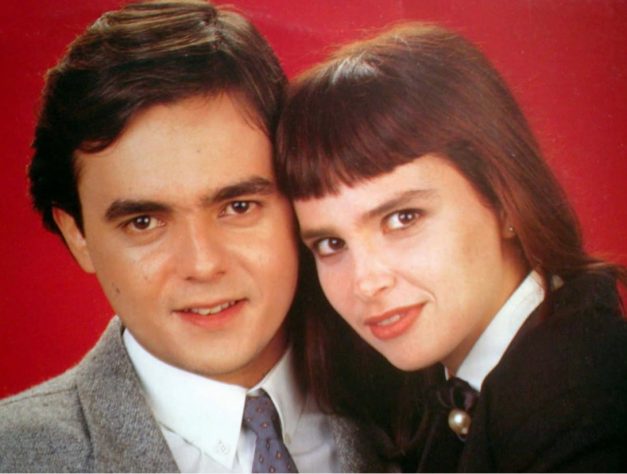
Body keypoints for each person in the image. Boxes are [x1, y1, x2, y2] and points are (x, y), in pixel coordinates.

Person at [0, 2, 389, 472]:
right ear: (77, 234)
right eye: (144, 222)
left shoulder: (417, 405)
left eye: (238, 207)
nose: (203, 265)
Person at [275, 23, 627, 472]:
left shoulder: (585, 400)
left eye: (403, 218)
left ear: (505, 199)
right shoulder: (459, 391)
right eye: (330, 243)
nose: (366, 282)